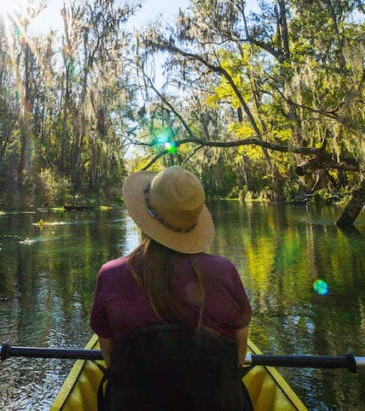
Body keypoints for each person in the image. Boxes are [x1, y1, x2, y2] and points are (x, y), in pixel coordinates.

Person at [89, 166, 253, 410]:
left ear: (144, 216)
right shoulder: (224, 272)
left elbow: (110, 358)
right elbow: (239, 357)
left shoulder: (111, 275)